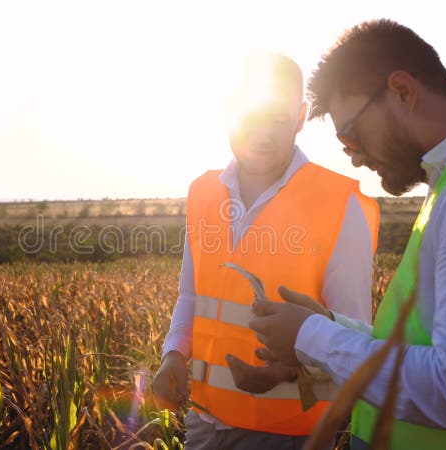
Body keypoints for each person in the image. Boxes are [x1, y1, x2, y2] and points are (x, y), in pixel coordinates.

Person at [249, 19, 446, 450]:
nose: (356, 158)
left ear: (402, 91)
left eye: (352, 134)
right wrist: (327, 327)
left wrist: (312, 337)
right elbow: (421, 347)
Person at [151, 51, 380, 449]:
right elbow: (192, 294)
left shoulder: (339, 204)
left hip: (289, 434)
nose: (262, 135)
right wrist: (174, 353)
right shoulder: (203, 193)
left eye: (277, 120)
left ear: (300, 116)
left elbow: (353, 341)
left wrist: (289, 371)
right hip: (203, 425)